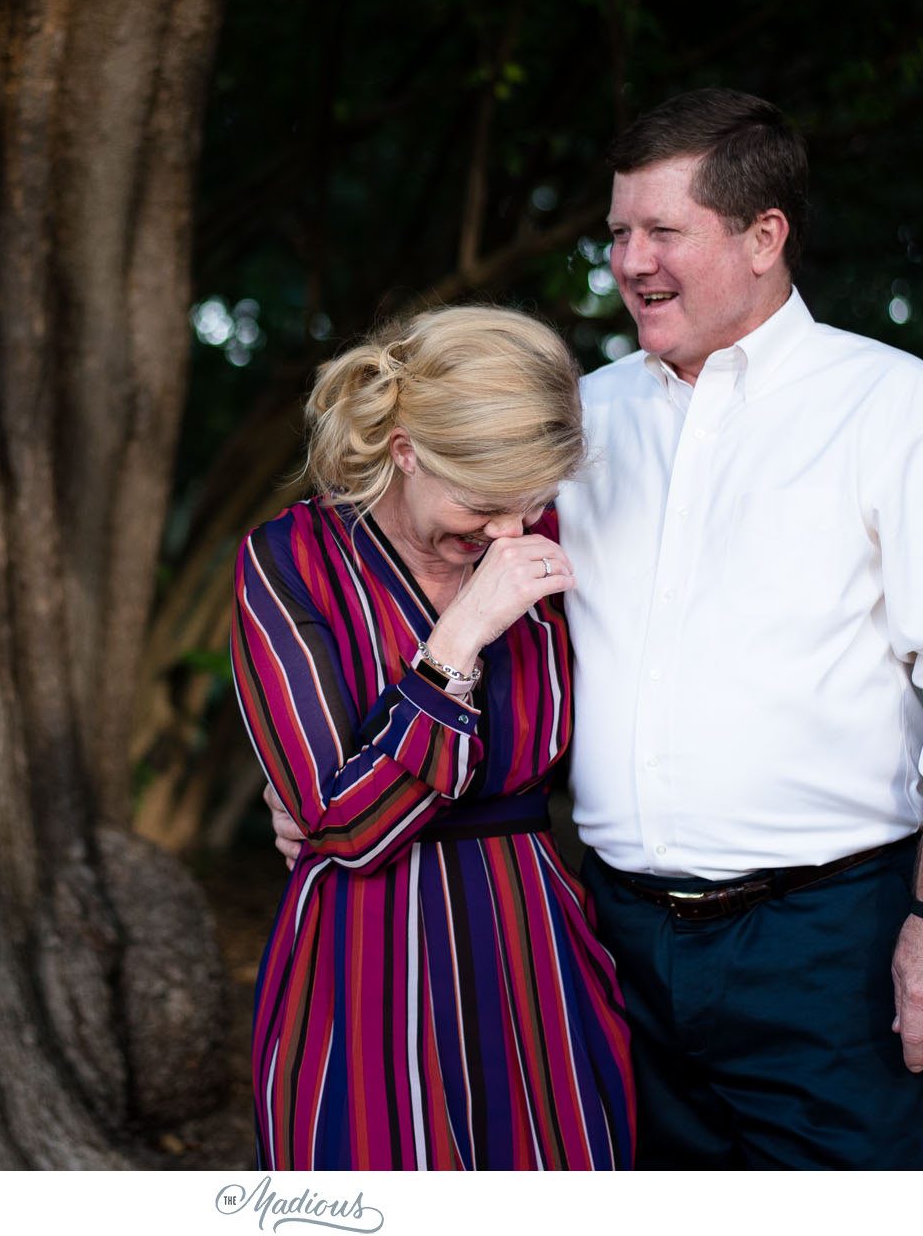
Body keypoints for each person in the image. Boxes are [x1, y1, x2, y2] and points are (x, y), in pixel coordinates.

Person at [272, 89, 923, 1169]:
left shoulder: (894, 408)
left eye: (662, 232)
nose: (630, 262)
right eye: (616, 233)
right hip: (608, 944)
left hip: (824, 941)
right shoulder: (580, 422)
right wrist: (310, 774)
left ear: (763, 236)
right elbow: (458, 604)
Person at [232, 305, 636, 1171]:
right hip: (362, 952)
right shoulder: (288, 562)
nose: (504, 535)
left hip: (533, 949)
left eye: (528, 506)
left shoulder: (548, 541)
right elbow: (341, 827)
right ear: (406, 449)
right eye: (484, 504)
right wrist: (458, 643)